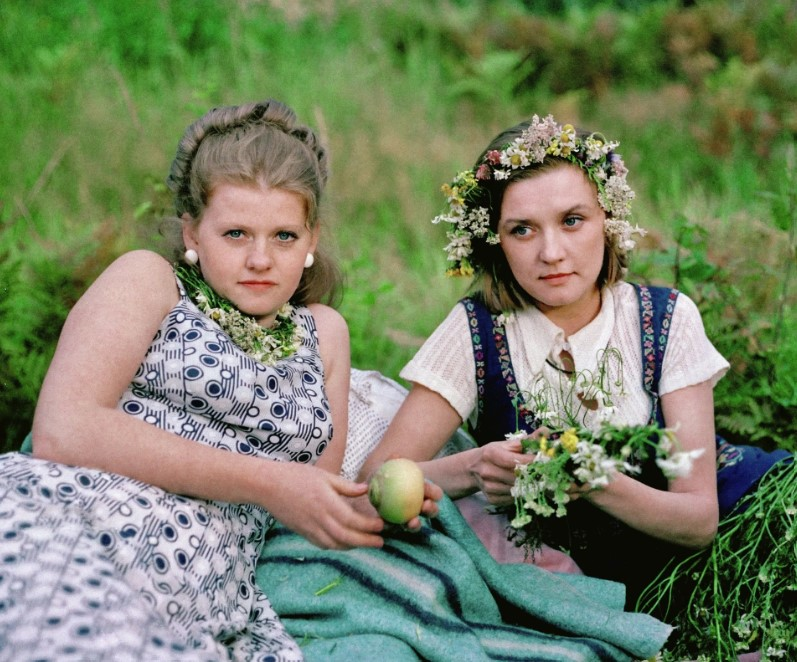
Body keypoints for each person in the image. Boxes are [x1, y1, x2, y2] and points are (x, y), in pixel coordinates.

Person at [0, 99, 401, 660]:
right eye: (236, 233)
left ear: (312, 240)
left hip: (198, 588)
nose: (261, 258)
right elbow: (63, 431)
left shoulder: (324, 333)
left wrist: (426, 486)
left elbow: (316, 495)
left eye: (284, 236)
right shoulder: (151, 281)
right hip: (80, 520)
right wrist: (268, 482)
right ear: (192, 231)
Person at [358, 114, 790, 611]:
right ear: (494, 241)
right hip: (585, 584)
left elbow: (698, 522)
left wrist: (589, 481)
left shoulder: (664, 318)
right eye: (522, 230)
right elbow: (378, 479)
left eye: (572, 220)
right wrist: (475, 468)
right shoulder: (477, 330)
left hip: (736, 532)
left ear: (607, 220)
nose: (552, 252)